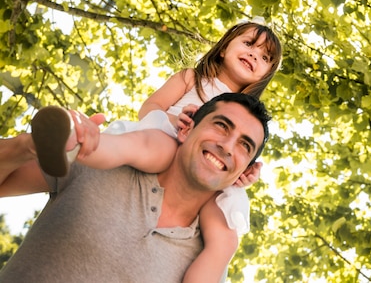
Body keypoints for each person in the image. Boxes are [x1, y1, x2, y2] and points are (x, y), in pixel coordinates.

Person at [9, 20, 282, 282]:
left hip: (211, 181)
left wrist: (243, 177)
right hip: (168, 136)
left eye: (265, 57)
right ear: (223, 48)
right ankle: (82, 145)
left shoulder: (251, 116)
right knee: (143, 145)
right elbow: (151, 108)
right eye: (248, 43)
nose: (254, 55)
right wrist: (177, 122)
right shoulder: (192, 78)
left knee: (225, 237)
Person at [0, 93, 271, 282]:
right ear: (186, 130)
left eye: (244, 145)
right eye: (222, 126)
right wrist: (26, 146)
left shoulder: (210, 260)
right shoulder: (97, 164)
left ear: (244, 172)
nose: (227, 146)